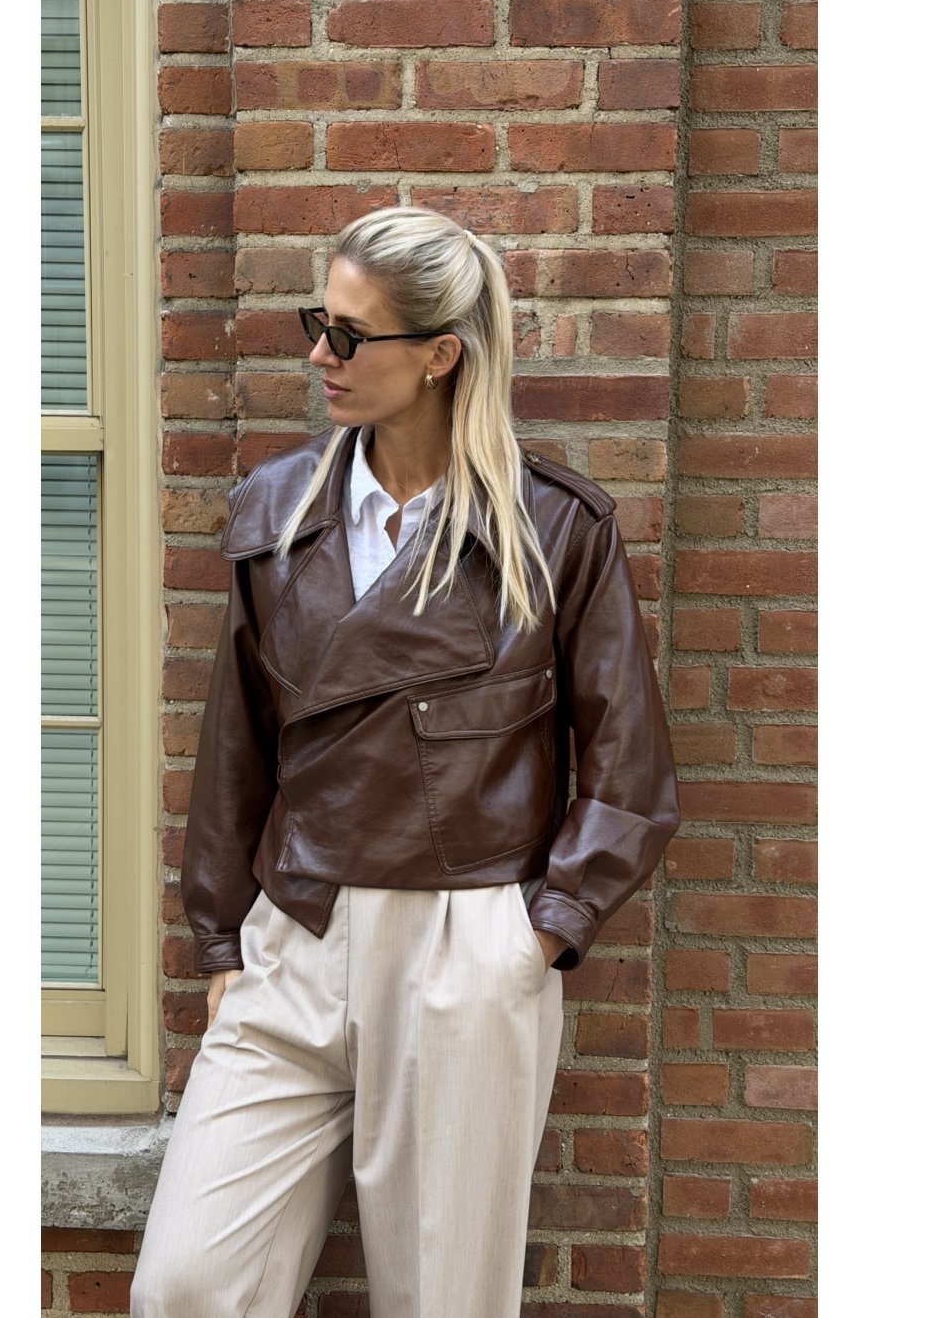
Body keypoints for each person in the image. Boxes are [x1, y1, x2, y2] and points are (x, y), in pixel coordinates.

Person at [130, 206, 679, 1318]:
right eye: (317, 323)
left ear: (439, 356)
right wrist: (223, 939)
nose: (318, 356)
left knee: (442, 1301)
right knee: (187, 1284)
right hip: (297, 932)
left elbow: (630, 773)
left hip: (461, 946)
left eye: (348, 335)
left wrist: (535, 937)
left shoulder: (552, 529)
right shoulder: (276, 511)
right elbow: (237, 742)